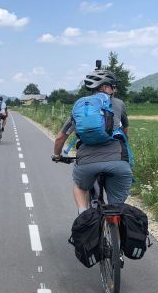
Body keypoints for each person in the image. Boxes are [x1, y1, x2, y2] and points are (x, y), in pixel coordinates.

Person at [52, 70, 132, 214]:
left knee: (80, 187)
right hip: (118, 161)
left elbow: (60, 138)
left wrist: (57, 156)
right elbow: (125, 133)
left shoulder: (82, 106)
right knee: (117, 205)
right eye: (112, 86)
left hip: (86, 162)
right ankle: (116, 222)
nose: (114, 90)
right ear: (104, 88)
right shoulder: (119, 103)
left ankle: (83, 215)